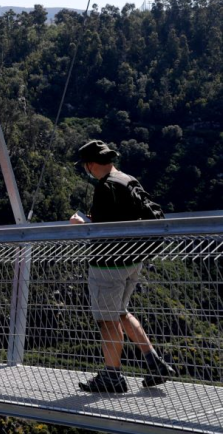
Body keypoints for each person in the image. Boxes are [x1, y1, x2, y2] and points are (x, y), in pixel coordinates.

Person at [70, 140, 175, 393]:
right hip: (132, 260)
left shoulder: (105, 188)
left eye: (85, 165)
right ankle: (155, 363)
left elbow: (101, 232)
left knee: (107, 320)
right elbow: (116, 220)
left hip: (109, 263)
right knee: (120, 312)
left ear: (91, 164)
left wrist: (80, 224)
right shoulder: (127, 180)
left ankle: (112, 376)